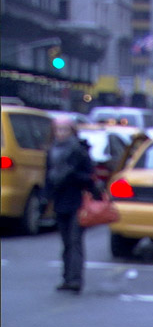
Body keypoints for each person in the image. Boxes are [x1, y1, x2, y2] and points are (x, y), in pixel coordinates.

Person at [41, 115, 99, 294]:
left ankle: (75, 279)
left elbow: (89, 177)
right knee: (66, 242)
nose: (61, 133)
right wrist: (45, 198)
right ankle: (66, 278)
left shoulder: (79, 151)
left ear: (72, 131)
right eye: (58, 130)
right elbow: (48, 177)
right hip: (60, 201)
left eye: (65, 130)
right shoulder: (52, 151)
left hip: (77, 201)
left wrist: (72, 175)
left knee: (75, 241)